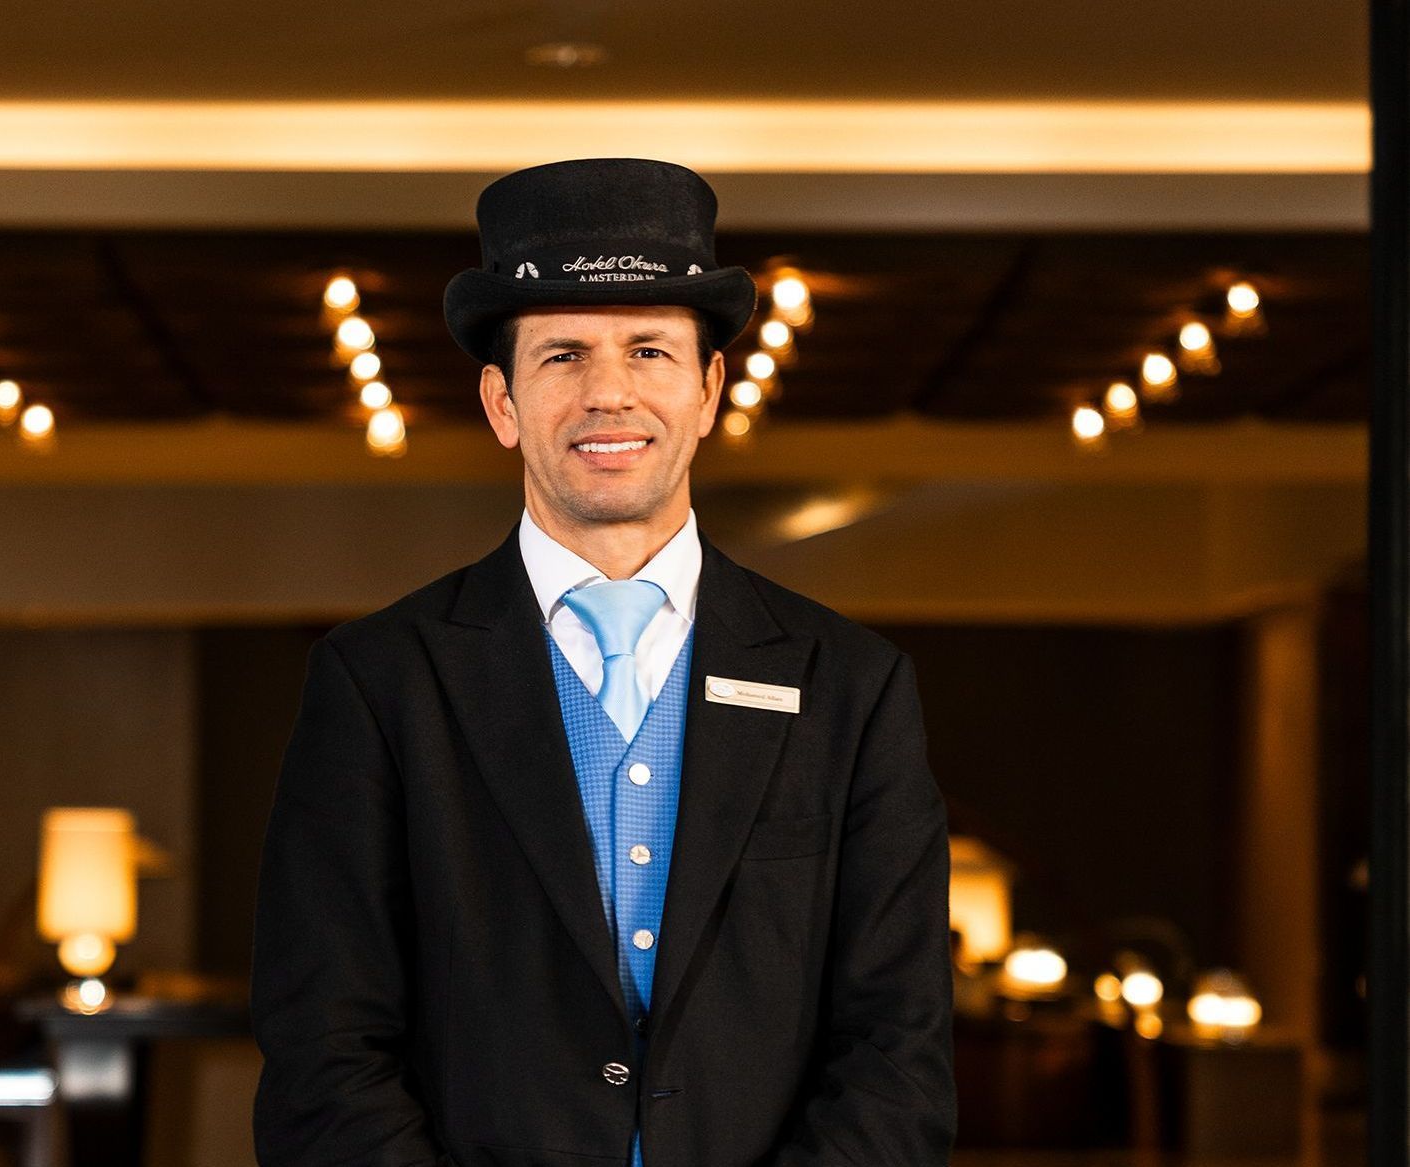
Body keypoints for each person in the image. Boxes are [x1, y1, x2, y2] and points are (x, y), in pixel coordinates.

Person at [251, 157, 955, 1167]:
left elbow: (900, 1051)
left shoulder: (851, 687)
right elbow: (323, 1047)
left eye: (649, 350)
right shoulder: (378, 683)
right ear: (500, 403)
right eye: (562, 355)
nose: (609, 395)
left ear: (708, 388)